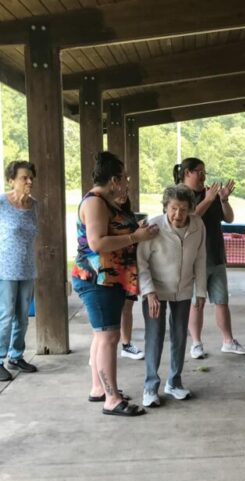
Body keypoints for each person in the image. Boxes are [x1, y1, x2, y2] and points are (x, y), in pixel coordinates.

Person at [72, 152, 158, 417]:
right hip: (98, 280)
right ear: (113, 179)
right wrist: (135, 236)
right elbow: (97, 242)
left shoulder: (107, 202)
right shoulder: (96, 202)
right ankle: (112, 398)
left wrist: (136, 231)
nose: (125, 183)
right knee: (109, 337)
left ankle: (100, 388)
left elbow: (114, 231)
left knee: (102, 336)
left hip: (110, 279)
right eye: (123, 178)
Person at [137, 184, 206, 407]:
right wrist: (148, 292)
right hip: (155, 291)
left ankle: (174, 382)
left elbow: (201, 259)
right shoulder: (153, 226)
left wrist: (201, 291)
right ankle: (150, 386)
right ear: (166, 207)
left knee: (179, 336)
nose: (178, 214)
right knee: (154, 337)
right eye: (174, 208)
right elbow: (141, 263)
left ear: (191, 210)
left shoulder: (198, 225)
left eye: (184, 209)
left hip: (184, 289)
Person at [174, 158, 245, 358]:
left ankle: (228, 341)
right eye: (199, 171)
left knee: (221, 300)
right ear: (187, 172)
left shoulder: (211, 193)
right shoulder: (180, 195)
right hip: (194, 259)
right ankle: (197, 344)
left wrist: (223, 200)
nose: (203, 175)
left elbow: (229, 218)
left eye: (204, 171)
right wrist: (208, 199)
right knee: (196, 302)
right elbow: (188, 218)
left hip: (215, 254)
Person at [0, 161, 38, 382]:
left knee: (23, 317)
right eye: (24, 178)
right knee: (5, 316)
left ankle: (16, 355)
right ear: (11, 180)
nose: (29, 181)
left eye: (31, 177)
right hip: (5, 269)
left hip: (27, 268)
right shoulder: (2, 203)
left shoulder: (34, 205)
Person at [119, 197, 144, 360]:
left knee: (127, 307)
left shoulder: (128, 214)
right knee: (108, 312)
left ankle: (126, 345)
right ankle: (98, 350)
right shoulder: (103, 210)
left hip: (129, 265)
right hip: (111, 266)